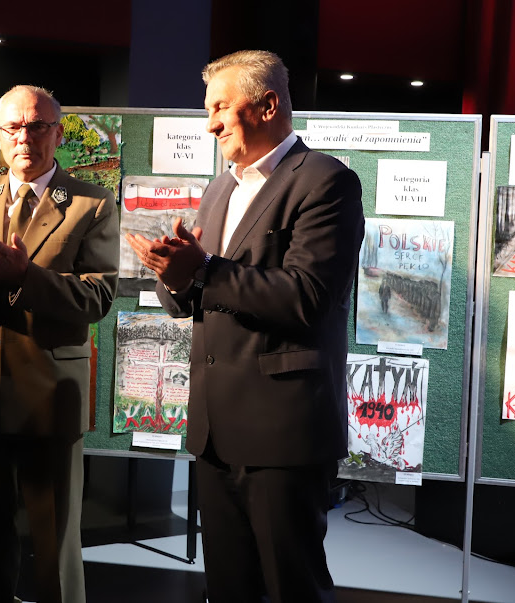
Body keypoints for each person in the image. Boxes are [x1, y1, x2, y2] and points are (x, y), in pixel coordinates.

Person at [126, 50, 364, 602]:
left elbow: (309, 298)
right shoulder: (220, 189)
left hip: (283, 430)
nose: (209, 124)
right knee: (229, 588)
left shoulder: (326, 181)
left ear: (267, 105)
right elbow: (191, 301)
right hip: (215, 431)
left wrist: (204, 269)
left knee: (292, 587)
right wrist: (173, 277)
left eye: (219, 108)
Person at [0, 85, 119, 603]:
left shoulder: (91, 202)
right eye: (12, 127)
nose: (23, 138)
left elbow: (98, 297)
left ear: (58, 133)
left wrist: (25, 279)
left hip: (49, 397)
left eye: (36, 126)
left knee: (55, 546)